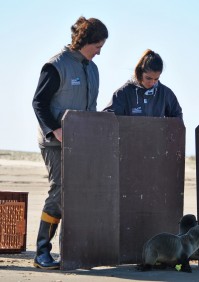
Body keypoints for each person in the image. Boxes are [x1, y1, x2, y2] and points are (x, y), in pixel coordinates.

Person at [31, 16, 108, 269]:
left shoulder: (93, 69)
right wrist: (55, 129)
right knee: (60, 190)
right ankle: (42, 251)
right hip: (54, 142)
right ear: (85, 41)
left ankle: (72, 251)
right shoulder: (56, 65)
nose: (100, 52)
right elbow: (39, 103)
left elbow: (92, 107)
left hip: (82, 143)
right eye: (97, 46)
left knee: (80, 194)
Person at [103, 49, 183, 119]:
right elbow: (107, 118)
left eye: (156, 79)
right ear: (140, 72)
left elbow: (177, 119)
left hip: (156, 136)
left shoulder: (165, 94)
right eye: (148, 78)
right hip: (129, 136)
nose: (152, 82)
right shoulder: (123, 93)